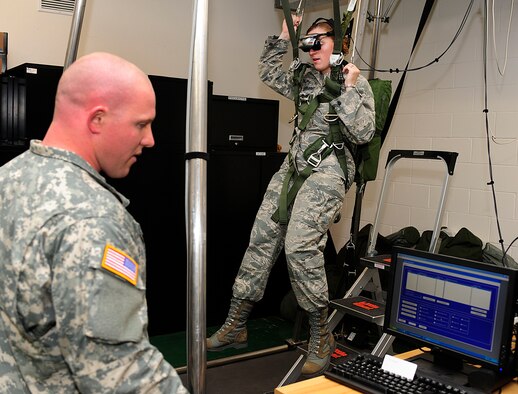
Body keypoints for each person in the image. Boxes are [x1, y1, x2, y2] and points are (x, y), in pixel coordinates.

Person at [0, 52, 188, 393]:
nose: (150, 140)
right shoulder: (95, 220)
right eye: (141, 124)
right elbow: (119, 373)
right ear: (97, 119)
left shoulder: (7, 179)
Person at [207, 16, 376, 378]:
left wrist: (347, 89)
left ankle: (321, 335)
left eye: (320, 41)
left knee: (299, 245)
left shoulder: (356, 84)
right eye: (308, 42)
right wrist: (284, 36)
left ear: (339, 43)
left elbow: (363, 134)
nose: (312, 49)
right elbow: (268, 72)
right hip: (294, 167)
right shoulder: (303, 77)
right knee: (261, 237)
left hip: (330, 168)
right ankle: (237, 323)